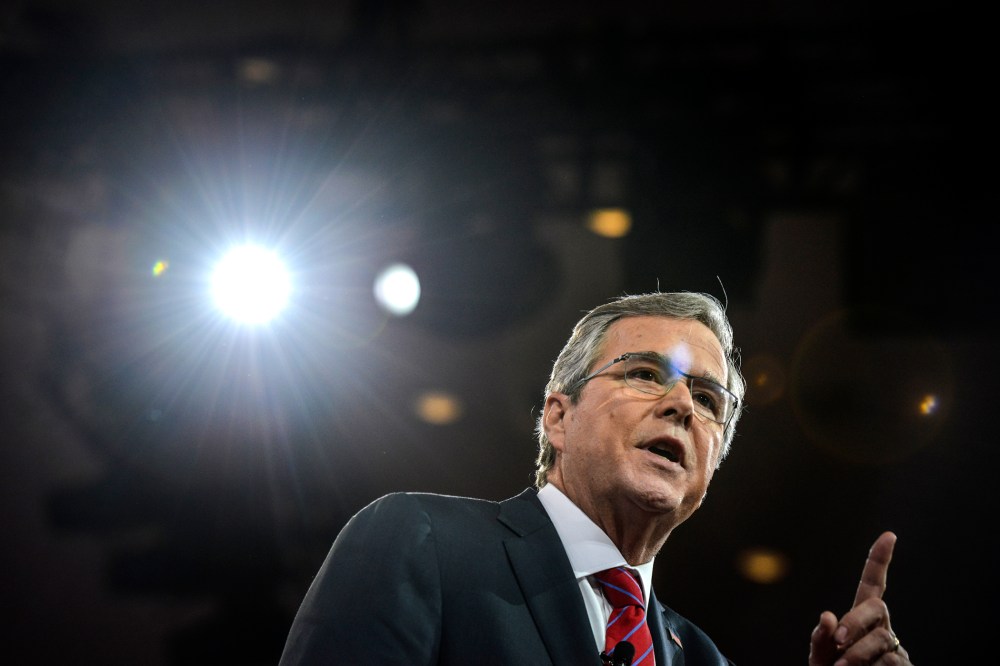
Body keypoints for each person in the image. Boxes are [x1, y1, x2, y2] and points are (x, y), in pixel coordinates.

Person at [277, 291, 912, 665]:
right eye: (643, 374)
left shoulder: (703, 658)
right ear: (558, 416)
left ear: (714, 460)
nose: (682, 406)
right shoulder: (419, 541)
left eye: (709, 402)